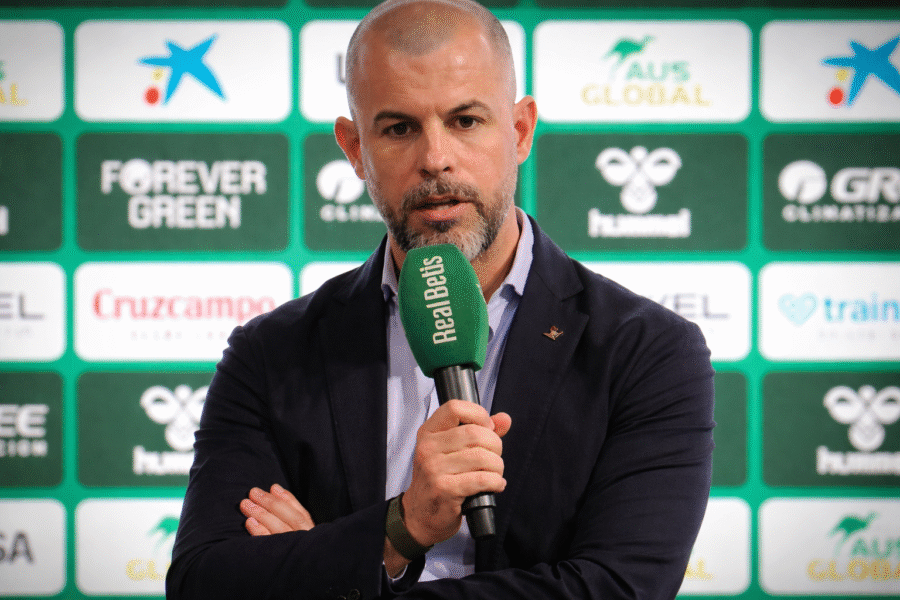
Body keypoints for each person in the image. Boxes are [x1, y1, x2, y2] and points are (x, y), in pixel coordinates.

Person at [166, 0, 715, 598]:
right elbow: (204, 584)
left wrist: (335, 565)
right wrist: (403, 526)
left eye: (466, 121)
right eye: (399, 128)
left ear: (520, 130)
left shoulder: (647, 350)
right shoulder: (271, 352)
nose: (436, 160)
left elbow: (618, 589)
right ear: (354, 149)